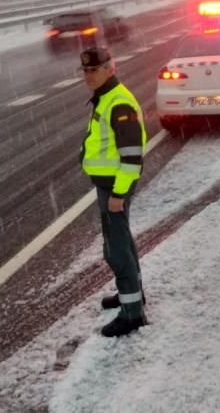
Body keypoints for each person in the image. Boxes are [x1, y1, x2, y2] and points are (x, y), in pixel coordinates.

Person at [78, 46, 148, 337]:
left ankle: (132, 313)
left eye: (94, 70)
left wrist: (119, 193)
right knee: (122, 241)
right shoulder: (106, 98)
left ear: (111, 67)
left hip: (114, 186)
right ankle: (133, 294)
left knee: (116, 249)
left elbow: (132, 155)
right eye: (85, 71)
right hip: (107, 184)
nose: (88, 76)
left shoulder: (117, 103)